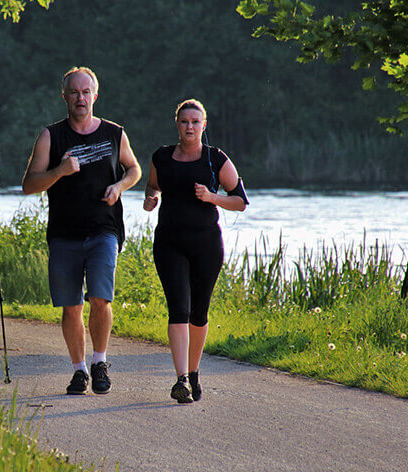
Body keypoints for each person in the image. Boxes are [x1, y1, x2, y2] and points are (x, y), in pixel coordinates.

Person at [22, 67, 142, 395]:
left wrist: (119, 186)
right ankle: (78, 370)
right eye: (74, 92)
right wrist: (59, 171)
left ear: (95, 96)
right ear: (65, 97)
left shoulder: (114, 133)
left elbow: (134, 169)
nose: (80, 98)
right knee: (71, 306)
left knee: (101, 298)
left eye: (86, 92)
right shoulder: (51, 136)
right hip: (64, 234)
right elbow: (29, 184)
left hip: (104, 229)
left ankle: (99, 361)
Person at [143, 99, 249, 404]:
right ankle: (180, 381)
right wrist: (150, 198)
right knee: (179, 308)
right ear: (176, 124)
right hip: (169, 243)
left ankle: (193, 372)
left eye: (195, 121)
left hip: (206, 245)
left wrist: (212, 197)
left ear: (204, 125)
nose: (189, 127)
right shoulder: (161, 157)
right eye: (184, 121)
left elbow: (240, 201)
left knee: (199, 314)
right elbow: (152, 186)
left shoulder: (216, 160)